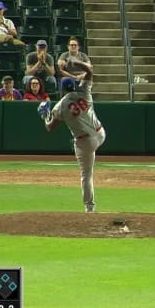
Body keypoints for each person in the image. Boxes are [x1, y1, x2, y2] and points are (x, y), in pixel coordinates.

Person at [38, 58, 105, 213]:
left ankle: (89, 208)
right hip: (100, 133)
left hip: (85, 143)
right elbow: (89, 71)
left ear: (62, 90)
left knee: (86, 175)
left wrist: (45, 116)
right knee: (88, 164)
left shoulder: (60, 106)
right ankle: (89, 207)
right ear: (74, 85)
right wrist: (76, 62)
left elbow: (50, 127)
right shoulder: (84, 91)